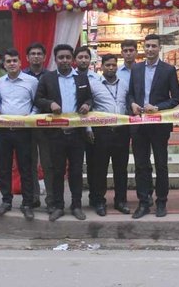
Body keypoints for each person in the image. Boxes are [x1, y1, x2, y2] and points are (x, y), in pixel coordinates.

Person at [34, 44, 93, 221]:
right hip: (56, 134)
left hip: (77, 134)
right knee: (57, 172)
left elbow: (90, 98)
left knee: (76, 171)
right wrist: (50, 104)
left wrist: (87, 105)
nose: (65, 60)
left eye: (68, 57)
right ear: (55, 59)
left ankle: (76, 205)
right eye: (61, 57)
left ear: (72, 59)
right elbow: (38, 99)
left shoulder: (81, 78)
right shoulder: (48, 78)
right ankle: (58, 206)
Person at [127, 34, 179, 218]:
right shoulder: (136, 68)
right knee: (141, 165)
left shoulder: (168, 70)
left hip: (159, 125)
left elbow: (175, 99)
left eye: (153, 46)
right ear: (143, 48)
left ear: (159, 48)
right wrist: (132, 104)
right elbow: (130, 94)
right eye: (147, 46)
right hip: (139, 125)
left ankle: (161, 202)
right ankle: (144, 202)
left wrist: (157, 108)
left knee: (161, 164)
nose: (150, 49)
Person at [0, 48, 38, 220]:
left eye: (14, 61)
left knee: (25, 168)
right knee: (4, 168)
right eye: (8, 61)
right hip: (4, 131)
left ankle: (27, 203)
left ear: (20, 62)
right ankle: (6, 201)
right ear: (4, 65)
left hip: (24, 131)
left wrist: (31, 116)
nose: (12, 64)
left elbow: (36, 103)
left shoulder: (32, 81)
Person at [90, 54, 132, 216]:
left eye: (113, 65)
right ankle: (99, 201)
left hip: (122, 132)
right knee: (100, 169)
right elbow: (88, 106)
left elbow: (129, 103)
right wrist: (88, 129)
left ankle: (120, 201)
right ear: (101, 67)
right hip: (102, 132)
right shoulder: (94, 85)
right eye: (107, 65)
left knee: (121, 169)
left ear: (117, 66)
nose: (111, 68)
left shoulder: (125, 83)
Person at [73, 46, 111, 208]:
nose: (83, 60)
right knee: (75, 166)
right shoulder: (70, 77)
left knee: (96, 165)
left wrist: (89, 127)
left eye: (86, 57)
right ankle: (75, 201)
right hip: (73, 129)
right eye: (80, 57)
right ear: (75, 60)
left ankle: (97, 199)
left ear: (90, 60)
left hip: (94, 129)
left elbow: (97, 104)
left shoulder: (97, 78)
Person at [23, 42, 52, 211]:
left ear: (44, 57)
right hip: (26, 126)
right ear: (27, 58)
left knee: (48, 163)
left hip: (46, 126)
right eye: (32, 54)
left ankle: (51, 199)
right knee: (30, 163)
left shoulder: (51, 76)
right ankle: (33, 197)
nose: (36, 56)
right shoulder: (21, 75)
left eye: (39, 54)